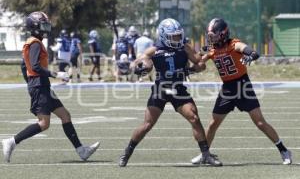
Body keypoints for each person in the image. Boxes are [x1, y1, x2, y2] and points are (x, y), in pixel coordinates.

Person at [118, 18, 222, 167]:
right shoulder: (154, 50)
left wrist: (194, 68)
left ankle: (206, 154)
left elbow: (200, 64)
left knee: (194, 117)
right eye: (174, 36)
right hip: (161, 89)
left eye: (179, 35)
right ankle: (126, 153)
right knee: (147, 124)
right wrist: (143, 68)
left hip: (178, 89)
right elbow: (142, 61)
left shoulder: (184, 47)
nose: (177, 39)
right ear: (164, 36)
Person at [2, 11, 100, 163]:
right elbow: (34, 67)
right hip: (40, 86)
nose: (46, 28)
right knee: (44, 123)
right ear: (35, 27)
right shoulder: (34, 43)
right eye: (43, 25)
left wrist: (31, 84)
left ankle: (82, 151)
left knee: (65, 115)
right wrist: (56, 74)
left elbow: (24, 67)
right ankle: (11, 141)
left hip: (41, 86)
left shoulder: (33, 42)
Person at [191, 18, 292, 165]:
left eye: (213, 34)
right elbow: (198, 64)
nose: (211, 38)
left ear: (223, 33)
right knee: (213, 124)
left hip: (243, 85)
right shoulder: (212, 50)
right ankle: (205, 154)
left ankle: (284, 150)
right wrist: (191, 65)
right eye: (210, 35)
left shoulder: (234, 44)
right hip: (227, 88)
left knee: (260, 122)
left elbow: (252, 52)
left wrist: (250, 55)